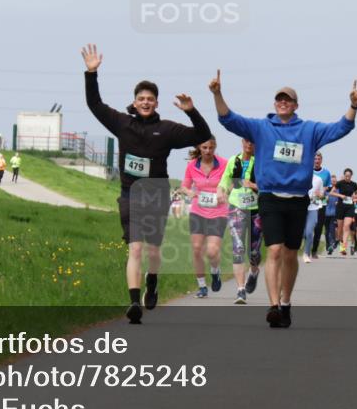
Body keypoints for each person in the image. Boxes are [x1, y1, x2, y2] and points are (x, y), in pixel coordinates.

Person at [210, 70, 357, 328]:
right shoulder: (261, 127)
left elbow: (341, 128)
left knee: (291, 254)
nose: (283, 102)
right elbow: (228, 119)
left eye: (288, 100)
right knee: (275, 250)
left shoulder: (309, 130)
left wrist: (353, 105)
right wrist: (217, 94)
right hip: (269, 198)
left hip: (297, 200)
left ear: (296, 105)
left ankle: (286, 301)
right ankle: (273, 306)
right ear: (274, 103)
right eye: (279, 99)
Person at [82, 43, 212, 324]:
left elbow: (203, 134)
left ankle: (153, 280)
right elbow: (95, 104)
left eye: (150, 98)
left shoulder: (166, 129)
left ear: (156, 102)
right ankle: (133, 302)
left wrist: (191, 111)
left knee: (153, 250)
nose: (145, 102)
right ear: (134, 101)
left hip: (156, 195)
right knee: (135, 249)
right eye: (140, 98)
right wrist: (91, 74)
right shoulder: (121, 123)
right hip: (130, 194)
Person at [178, 138, 229, 299]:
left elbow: (232, 183)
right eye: (204, 147)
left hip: (218, 212)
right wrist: (189, 192)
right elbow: (184, 186)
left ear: (215, 147)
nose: (208, 151)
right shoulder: (192, 165)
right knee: (197, 249)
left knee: (212, 251)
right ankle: (201, 286)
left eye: (211, 147)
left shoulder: (224, 164)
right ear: (199, 148)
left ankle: (215, 272)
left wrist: (224, 191)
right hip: (198, 211)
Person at [218, 138, 261, 304]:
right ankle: (240, 290)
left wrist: (253, 185)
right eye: (246, 141)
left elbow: (269, 184)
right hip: (236, 207)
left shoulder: (262, 161)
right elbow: (224, 180)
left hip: (257, 208)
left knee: (255, 253)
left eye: (252, 141)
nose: (249, 144)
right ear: (242, 142)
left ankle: (254, 272)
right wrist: (221, 190)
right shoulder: (233, 160)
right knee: (238, 248)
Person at [331, 168, 357, 256]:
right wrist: (340, 195)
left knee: (346, 226)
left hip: (350, 207)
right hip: (340, 207)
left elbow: (356, 194)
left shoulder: (354, 184)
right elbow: (331, 193)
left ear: (351, 176)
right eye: (346, 176)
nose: (347, 177)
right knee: (340, 228)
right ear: (344, 175)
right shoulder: (340, 183)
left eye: (349, 176)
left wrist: (355, 197)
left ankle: (343, 247)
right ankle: (339, 240)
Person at [302, 169, 326, 264]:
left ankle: (306, 254)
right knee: (301, 233)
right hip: (300, 208)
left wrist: (320, 195)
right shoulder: (300, 177)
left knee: (309, 232)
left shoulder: (318, 180)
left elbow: (322, 197)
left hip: (313, 208)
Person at [310, 153, 332, 259]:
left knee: (319, 227)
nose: (316, 161)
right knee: (308, 226)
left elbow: (329, 186)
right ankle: (306, 246)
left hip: (321, 201)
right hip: (309, 201)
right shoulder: (308, 171)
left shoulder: (326, 173)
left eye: (318, 159)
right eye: (315, 159)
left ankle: (314, 250)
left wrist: (323, 191)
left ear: (321, 160)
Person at [322, 182, 339, 255]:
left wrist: (338, 202)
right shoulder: (325, 191)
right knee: (326, 231)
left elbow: (341, 199)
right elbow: (322, 201)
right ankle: (328, 244)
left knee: (332, 229)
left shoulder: (338, 191)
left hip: (334, 214)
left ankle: (331, 245)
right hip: (325, 213)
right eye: (332, 183)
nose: (333, 185)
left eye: (334, 183)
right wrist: (326, 198)